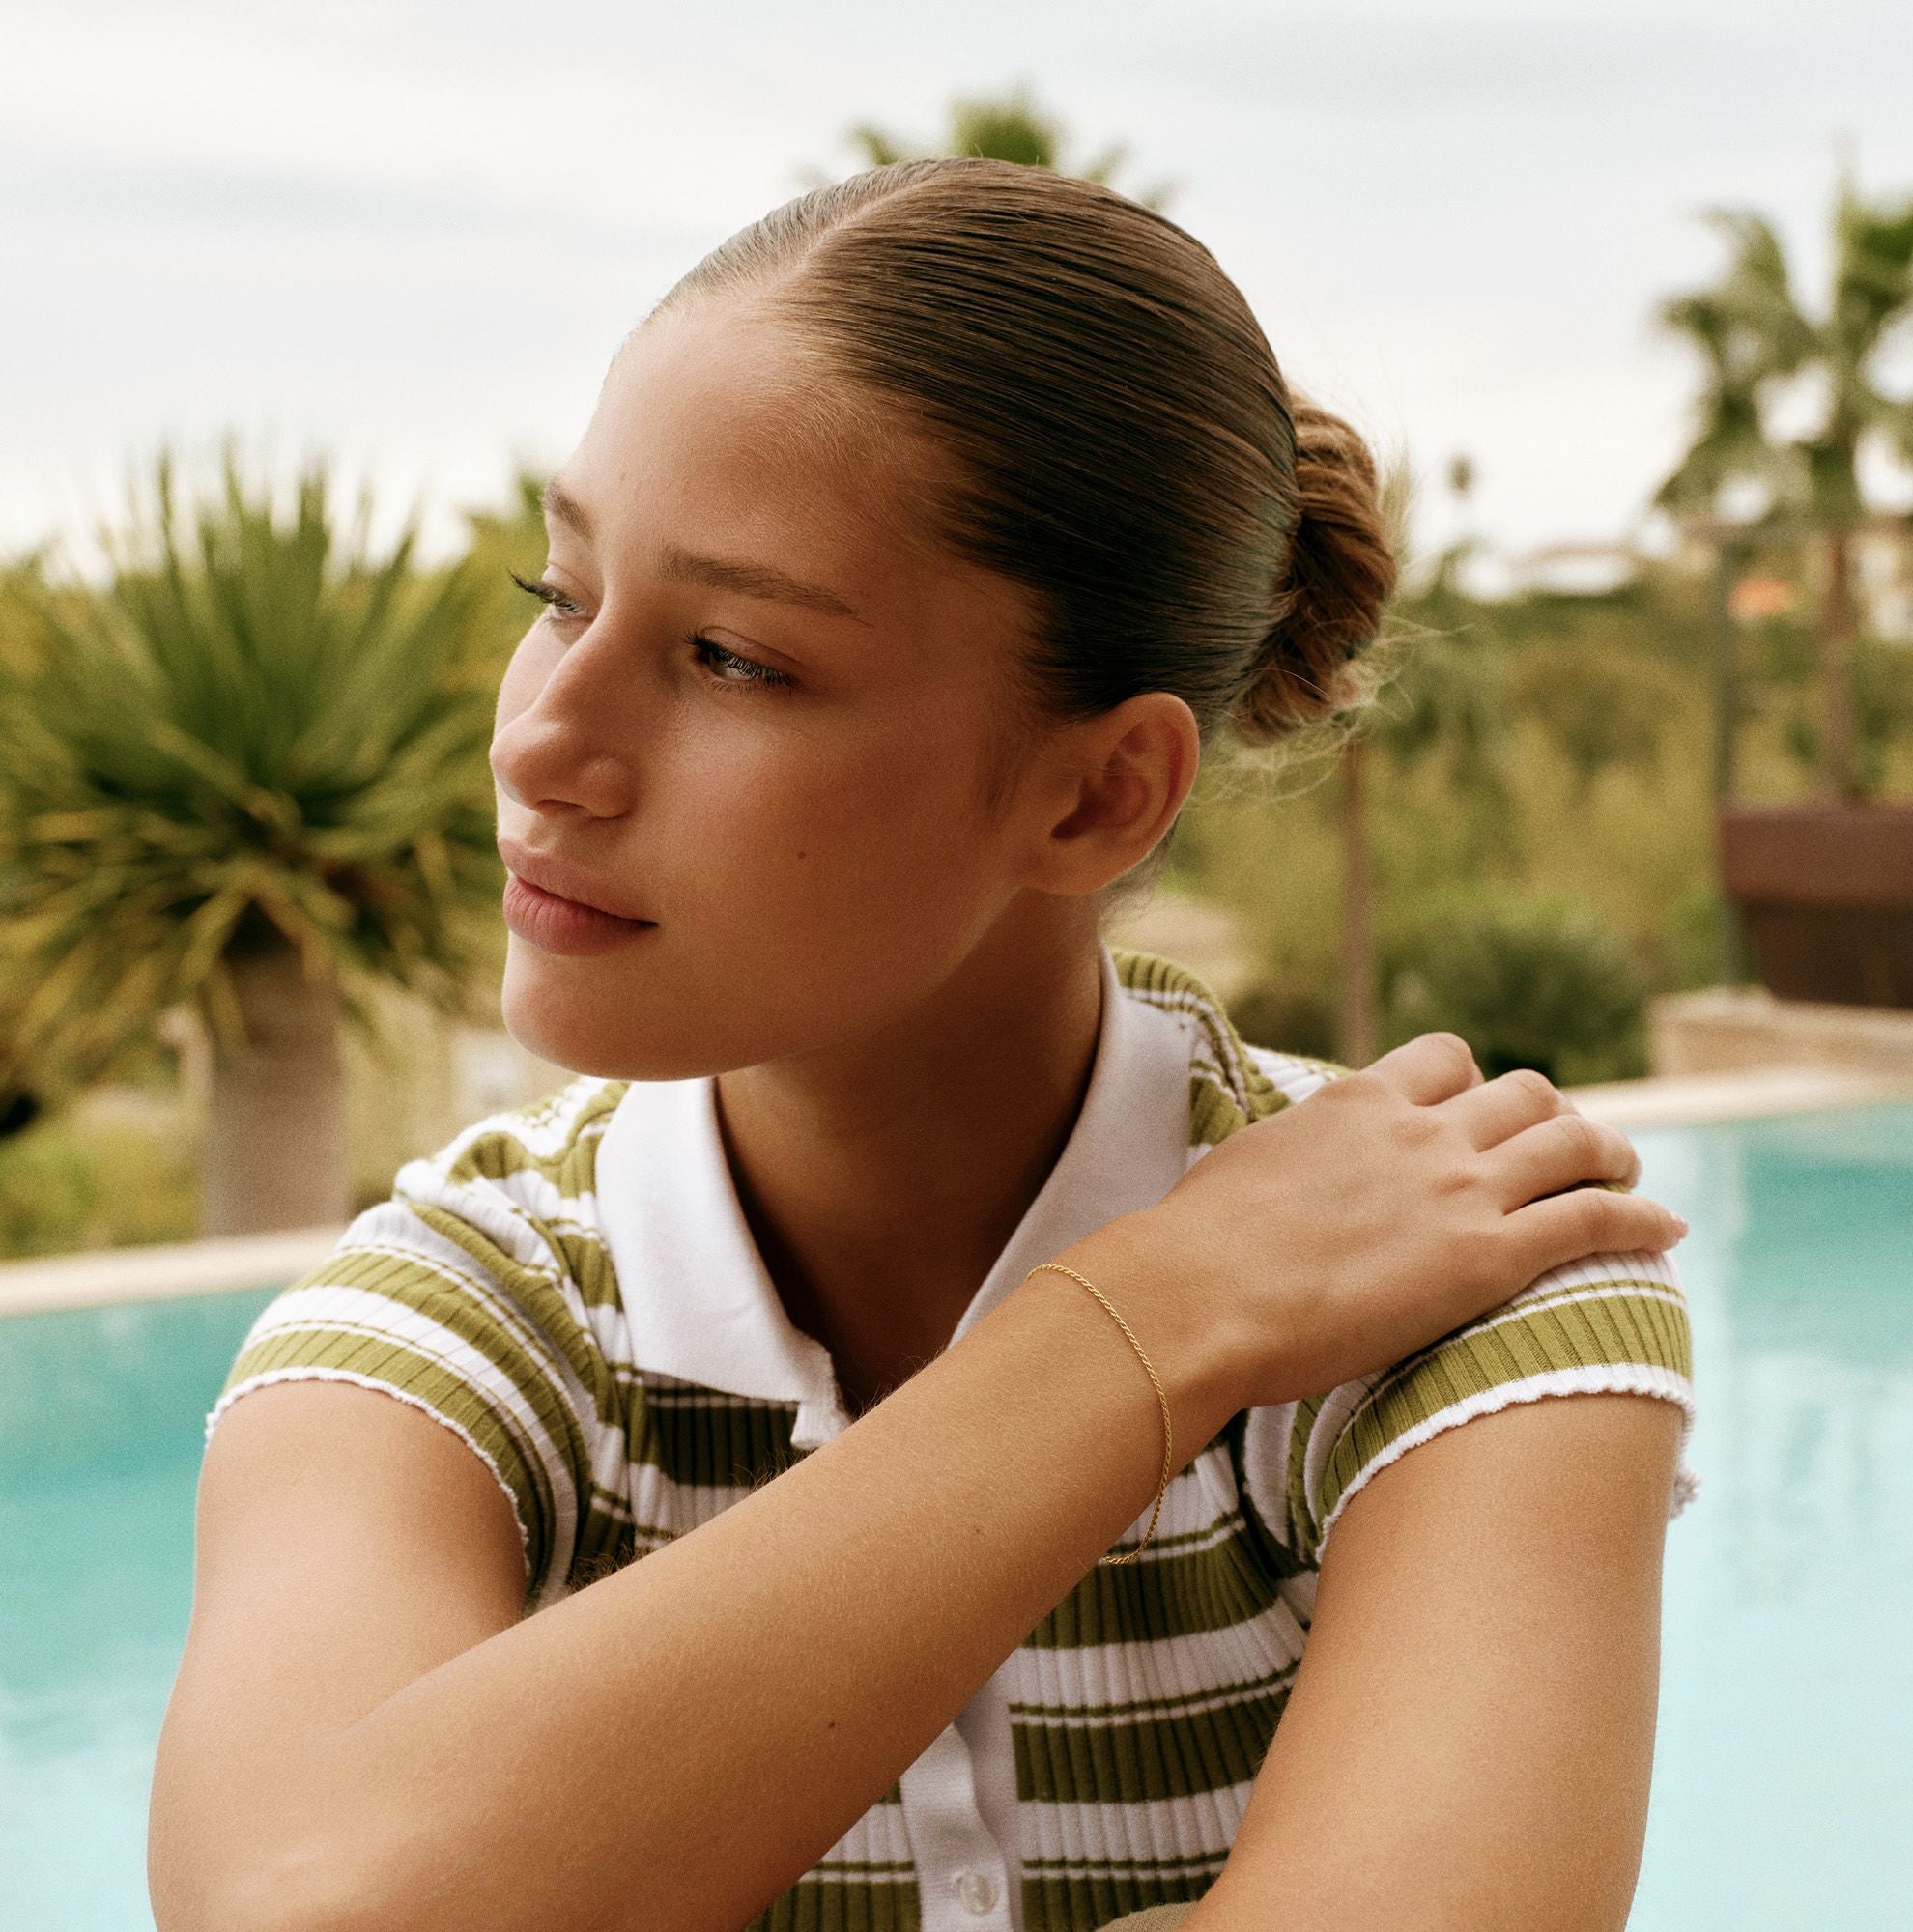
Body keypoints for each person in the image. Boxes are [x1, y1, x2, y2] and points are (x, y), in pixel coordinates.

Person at [149, 157, 1696, 1932]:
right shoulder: (449, 1333)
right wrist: (1161, 1317)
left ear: (1099, 792)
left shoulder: (1466, 1284)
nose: (545, 743)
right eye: (560, 592)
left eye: (731, 656)